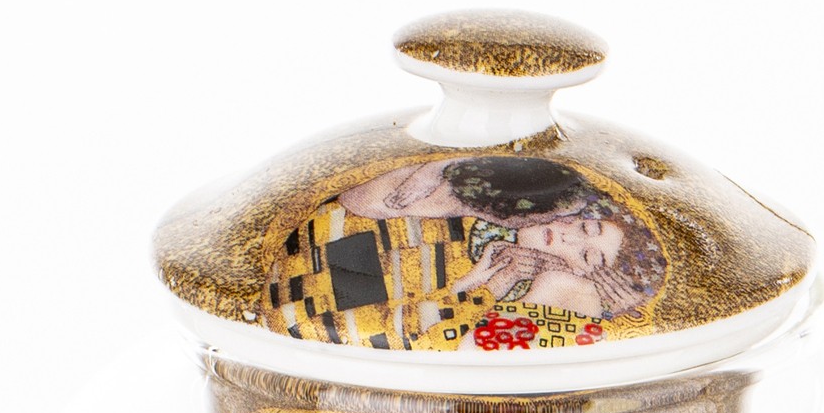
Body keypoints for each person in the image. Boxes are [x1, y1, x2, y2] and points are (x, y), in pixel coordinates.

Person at [266, 154, 667, 350]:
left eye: (587, 257)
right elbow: (358, 205)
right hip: (299, 286)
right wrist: (449, 173)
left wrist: (484, 284)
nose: (568, 239)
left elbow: (412, 344)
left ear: (578, 276)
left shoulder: (516, 300)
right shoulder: (485, 207)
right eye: (584, 227)